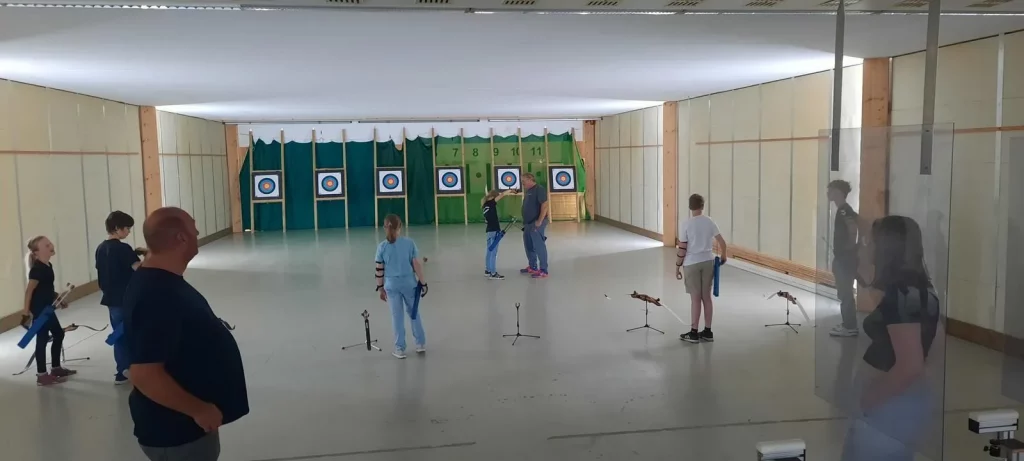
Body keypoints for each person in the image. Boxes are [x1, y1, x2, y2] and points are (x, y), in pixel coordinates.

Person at [124, 207, 248, 461]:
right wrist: (199, 409)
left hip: (183, 427)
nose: (198, 232)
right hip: (177, 432)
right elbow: (144, 373)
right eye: (193, 227)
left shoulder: (161, 281)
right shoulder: (156, 294)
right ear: (181, 238)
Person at [840, 215, 940, 460]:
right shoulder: (922, 291)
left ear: (886, 248)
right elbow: (935, 345)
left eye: (870, 242)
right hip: (904, 401)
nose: (866, 247)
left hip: (888, 405)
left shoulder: (901, 296)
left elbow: (910, 366)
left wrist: (870, 398)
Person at [96, 210, 144, 384]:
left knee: (118, 333)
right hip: (127, 298)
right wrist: (148, 256)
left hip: (111, 299)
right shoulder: (123, 248)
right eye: (127, 228)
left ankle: (122, 370)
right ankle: (135, 369)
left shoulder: (101, 248)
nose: (129, 232)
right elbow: (139, 269)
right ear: (117, 228)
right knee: (133, 332)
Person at [22, 236, 77, 386]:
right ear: (36, 252)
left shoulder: (48, 265)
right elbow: (29, 292)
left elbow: (46, 289)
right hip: (40, 311)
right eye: (46, 245)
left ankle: (56, 368)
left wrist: (58, 298)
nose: (51, 245)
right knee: (42, 340)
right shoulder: (37, 270)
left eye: (49, 243)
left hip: (48, 307)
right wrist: (25, 314)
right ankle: (42, 375)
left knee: (58, 334)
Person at [375, 214, 428, 359]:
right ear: (400, 227)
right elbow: (416, 265)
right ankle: (420, 344)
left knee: (397, 317)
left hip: (391, 285)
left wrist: (380, 288)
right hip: (409, 284)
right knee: (414, 313)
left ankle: (399, 349)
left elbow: (379, 270)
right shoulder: (409, 243)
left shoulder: (381, 247)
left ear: (384, 228)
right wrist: (423, 283)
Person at [676, 194, 727, 343]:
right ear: (702, 206)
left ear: (690, 207)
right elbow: (722, 242)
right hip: (708, 262)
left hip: (691, 263)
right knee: (707, 298)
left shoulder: (686, 224)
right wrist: (724, 255)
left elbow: (682, 248)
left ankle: (693, 333)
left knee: (695, 299)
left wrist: (677, 266)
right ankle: (708, 332)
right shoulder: (709, 221)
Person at [828, 179, 860, 337]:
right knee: (844, 292)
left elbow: (853, 228)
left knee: (845, 293)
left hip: (844, 258)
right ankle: (848, 323)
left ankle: (850, 326)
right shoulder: (845, 210)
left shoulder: (843, 210)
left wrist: (848, 248)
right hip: (845, 257)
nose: (828, 193)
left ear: (838, 192)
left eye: (830, 190)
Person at [519, 173, 549, 279]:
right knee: (529, 245)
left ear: (530, 179)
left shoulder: (539, 189)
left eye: (523, 181)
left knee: (539, 246)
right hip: (528, 223)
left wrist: (539, 221)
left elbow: (545, 205)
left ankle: (543, 270)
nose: (522, 183)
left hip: (536, 222)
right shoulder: (529, 191)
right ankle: (533, 267)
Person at [483, 189, 515, 280]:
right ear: (493, 197)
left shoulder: (485, 205)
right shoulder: (491, 203)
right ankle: (493, 273)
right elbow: (502, 195)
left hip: (489, 231)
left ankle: (488, 270)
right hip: (494, 231)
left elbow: (486, 220)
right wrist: (511, 190)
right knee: (493, 252)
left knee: (489, 250)